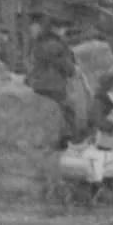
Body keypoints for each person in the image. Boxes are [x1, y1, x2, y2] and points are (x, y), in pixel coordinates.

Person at [26, 16, 77, 144]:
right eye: (63, 28)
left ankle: (43, 140)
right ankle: (63, 140)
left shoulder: (40, 42)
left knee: (44, 113)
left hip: (40, 85)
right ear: (56, 28)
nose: (64, 31)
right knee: (64, 112)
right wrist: (72, 69)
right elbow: (65, 65)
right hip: (54, 85)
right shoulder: (56, 44)